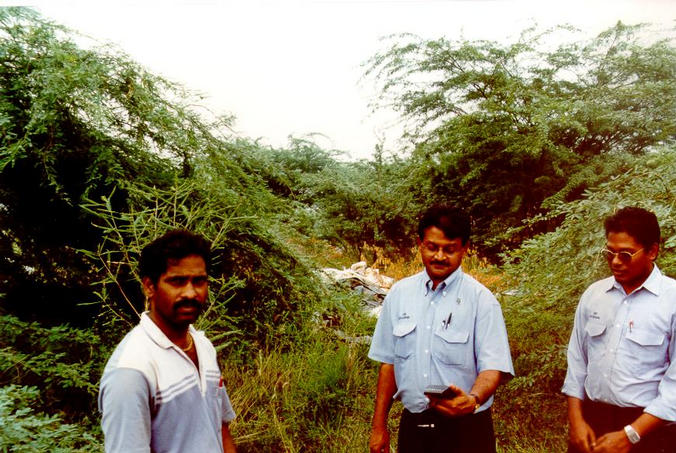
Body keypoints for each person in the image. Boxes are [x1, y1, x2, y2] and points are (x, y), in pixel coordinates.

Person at [368, 205, 514, 453]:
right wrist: (378, 425)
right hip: (415, 427)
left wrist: (473, 400)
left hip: (467, 430)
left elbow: (493, 368)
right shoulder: (399, 295)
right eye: (432, 247)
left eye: (449, 249)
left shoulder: (481, 300)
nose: (439, 256)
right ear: (420, 244)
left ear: (465, 248)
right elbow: (389, 364)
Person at [98, 229, 237, 453]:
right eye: (177, 282)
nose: (191, 293)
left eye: (199, 281)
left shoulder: (203, 345)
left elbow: (220, 430)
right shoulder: (131, 372)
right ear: (149, 287)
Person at [562, 206, 676, 453]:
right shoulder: (594, 295)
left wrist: (631, 434)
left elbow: (674, 386)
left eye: (625, 254)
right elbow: (577, 362)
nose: (615, 262)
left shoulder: (672, 300)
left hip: (650, 431)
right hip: (592, 424)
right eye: (609, 253)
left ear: (652, 251)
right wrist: (576, 421)